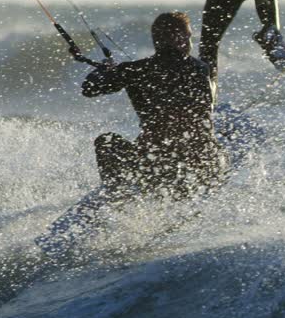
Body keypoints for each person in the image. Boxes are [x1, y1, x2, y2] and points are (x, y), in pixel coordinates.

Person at [81, 11, 226, 199]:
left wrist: (105, 71)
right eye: (189, 37)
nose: (190, 42)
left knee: (106, 142)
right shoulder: (200, 70)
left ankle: (117, 196)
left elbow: (89, 88)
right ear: (178, 38)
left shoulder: (136, 70)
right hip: (202, 165)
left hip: (157, 165)